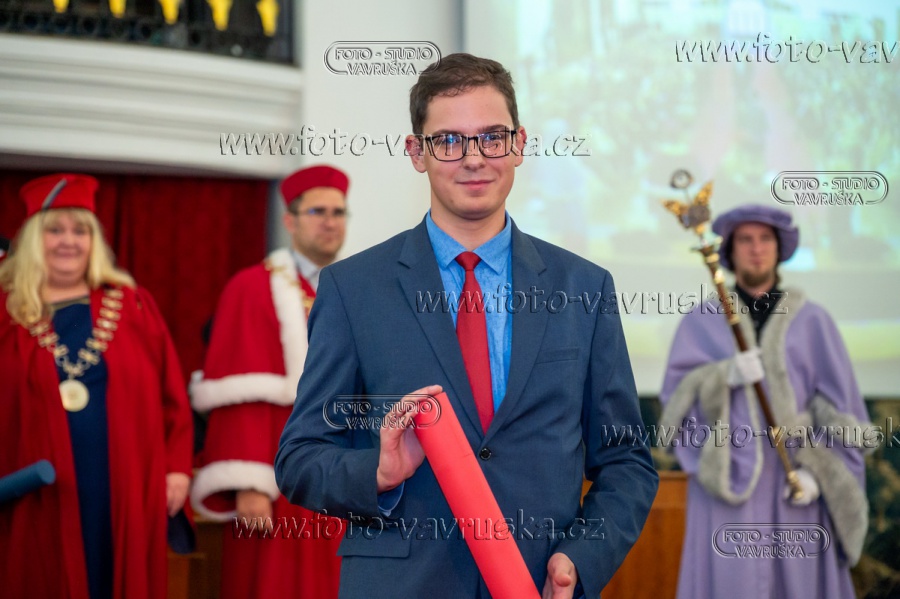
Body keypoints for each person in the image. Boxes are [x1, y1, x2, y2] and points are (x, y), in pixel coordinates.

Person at [274, 53, 659, 599]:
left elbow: (625, 461)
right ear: (417, 153)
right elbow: (300, 458)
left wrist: (581, 557)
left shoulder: (584, 287)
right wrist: (378, 471)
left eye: (492, 138)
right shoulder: (353, 289)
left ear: (519, 144)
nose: (474, 158)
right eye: (449, 141)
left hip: (534, 583)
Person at [659, 204, 871, 598]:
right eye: (745, 240)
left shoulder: (814, 321)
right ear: (730, 251)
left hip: (796, 488)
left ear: (779, 247)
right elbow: (676, 412)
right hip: (728, 488)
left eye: (765, 239)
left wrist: (820, 477)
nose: (756, 249)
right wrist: (723, 377)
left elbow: (843, 415)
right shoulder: (701, 321)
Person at [0, 173, 194, 599]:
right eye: (55, 230)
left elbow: (172, 397)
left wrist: (177, 468)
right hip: (33, 490)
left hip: (123, 482)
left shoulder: (134, 305)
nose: (68, 241)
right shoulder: (6, 312)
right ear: (32, 240)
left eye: (80, 230)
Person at [190, 165, 349, 599]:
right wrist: (249, 483)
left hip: (342, 476)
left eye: (338, 212)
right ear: (289, 221)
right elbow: (239, 395)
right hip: (279, 478)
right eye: (318, 211)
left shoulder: (355, 287)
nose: (330, 222)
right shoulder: (252, 288)